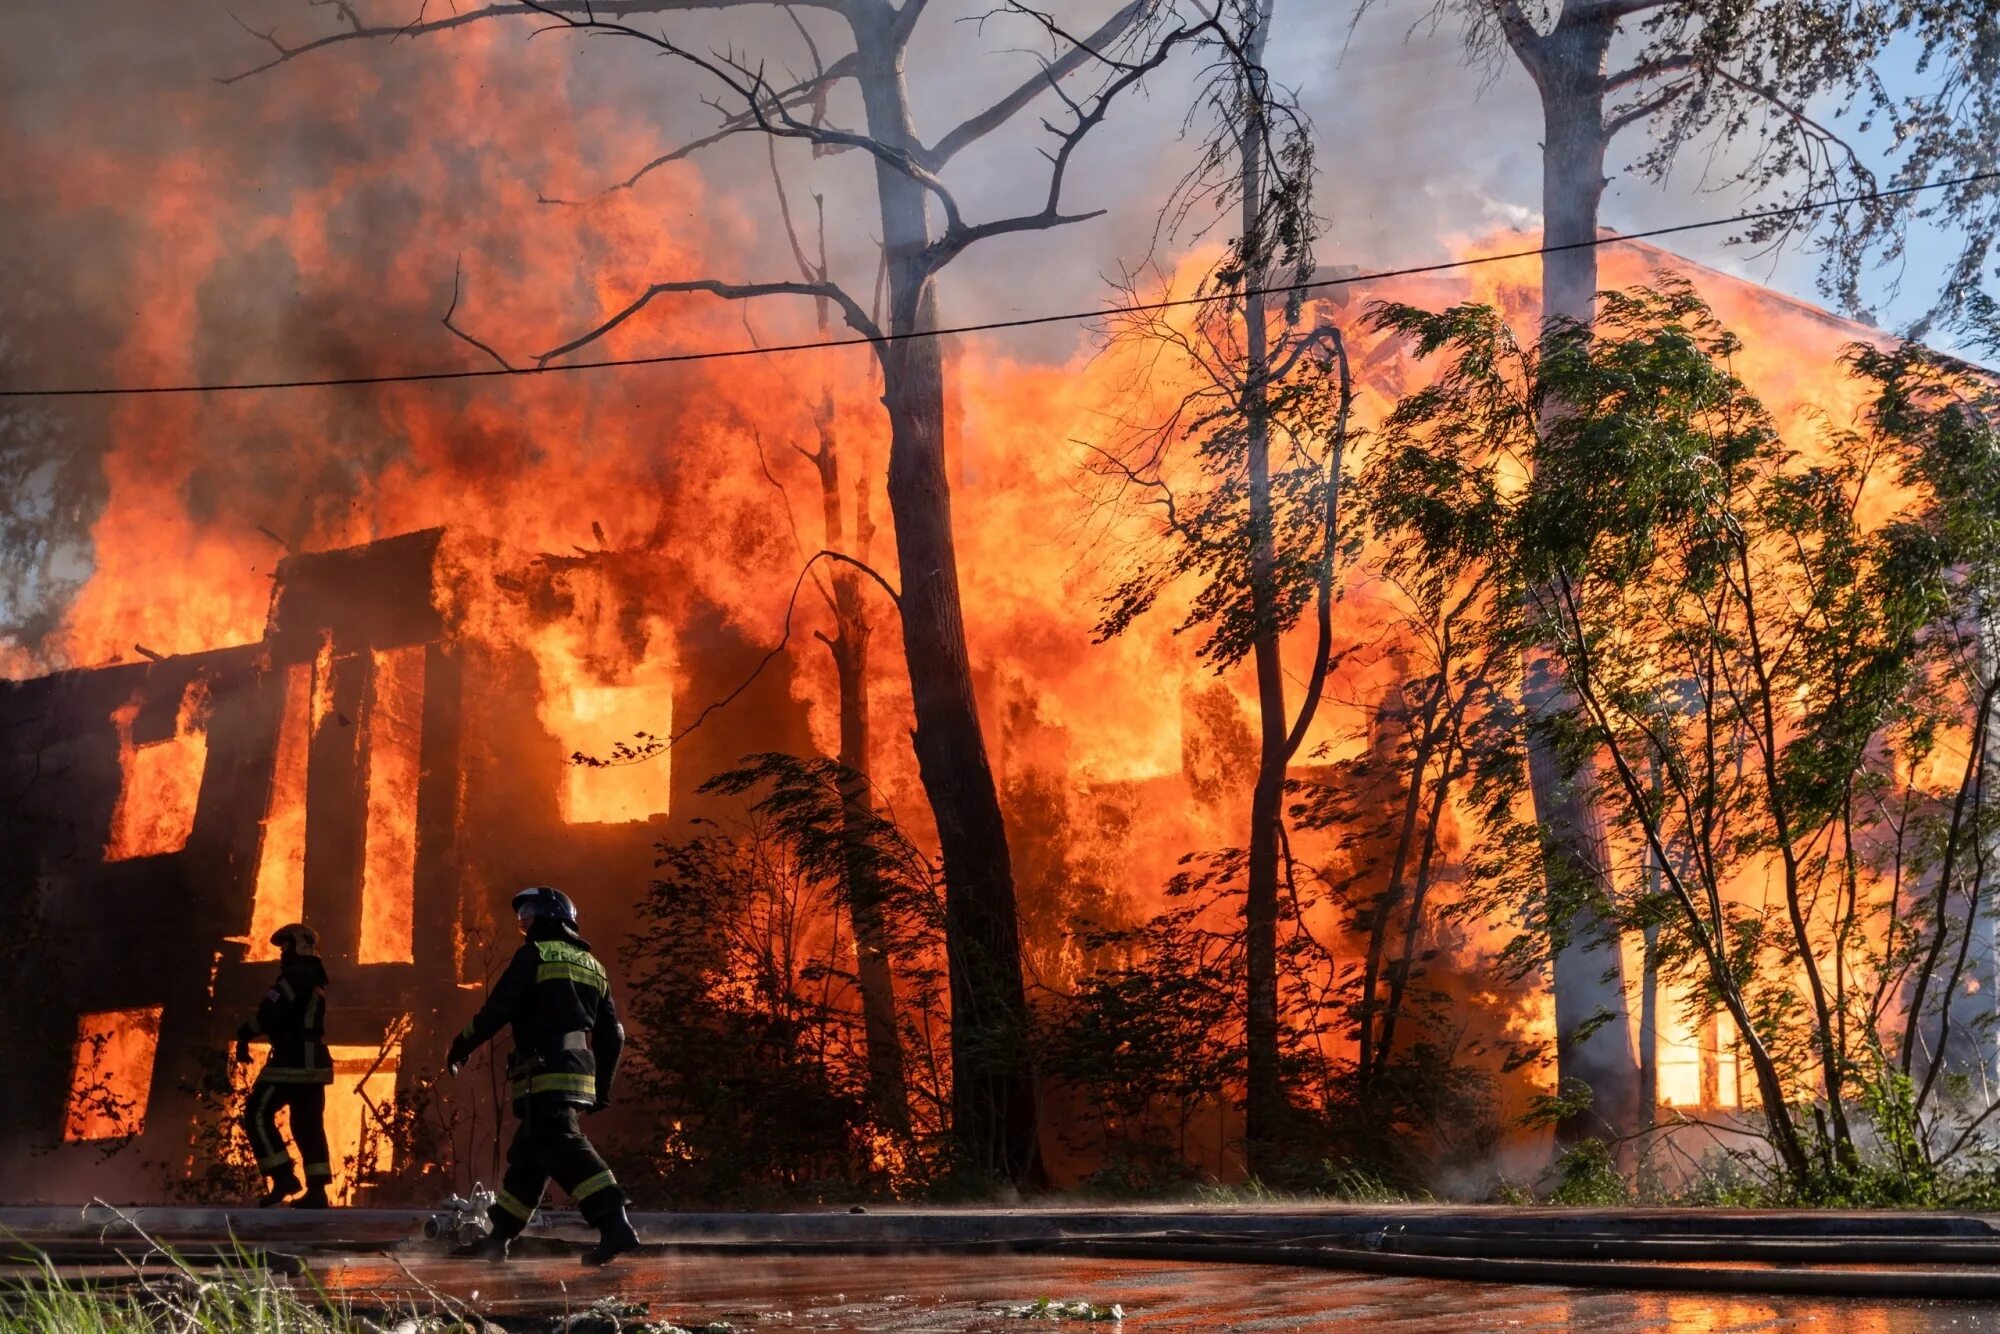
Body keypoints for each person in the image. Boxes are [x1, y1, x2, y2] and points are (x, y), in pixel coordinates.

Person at [446, 885, 640, 1265]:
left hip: (544, 1071)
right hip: (578, 1071)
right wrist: (601, 1087)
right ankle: (498, 1237)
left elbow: (498, 1008)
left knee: (564, 1145)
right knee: (531, 1155)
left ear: (554, 915)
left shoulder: (534, 955)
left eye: (531, 911)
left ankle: (615, 1225)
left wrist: (461, 1044)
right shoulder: (594, 966)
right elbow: (613, 1033)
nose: (524, 920)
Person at [235, 922, 334, 1209]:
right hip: (315, 1062)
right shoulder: (316, 980)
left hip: (290, 1061)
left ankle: (282, 1177)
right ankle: (317, 1192)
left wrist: (243, 1034)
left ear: (296, 946)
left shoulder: (291, 980)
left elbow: (267, 1016)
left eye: (284, 947)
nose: (281, 954)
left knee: (257, 1112)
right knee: (308, 1126)